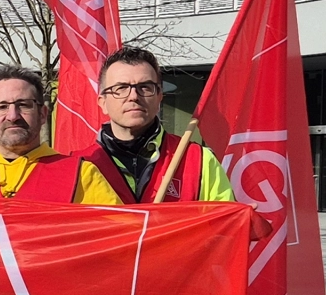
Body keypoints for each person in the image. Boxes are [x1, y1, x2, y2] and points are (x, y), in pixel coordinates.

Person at [0, 65, 123, 205]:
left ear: (43, 114)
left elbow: (119, 239)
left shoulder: (81, 174)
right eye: (2, 107)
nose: (13, 116)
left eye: (23, 105)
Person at [78, 46, 235, 203]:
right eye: (121, 88)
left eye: (145, 87)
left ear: (160, 96)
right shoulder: (79, 167)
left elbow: (226, 224)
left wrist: (244, 220)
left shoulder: (198, 161)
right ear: (102, 102)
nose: (133, 96)